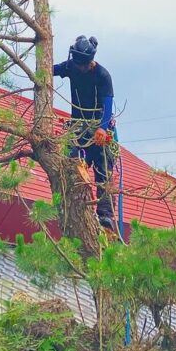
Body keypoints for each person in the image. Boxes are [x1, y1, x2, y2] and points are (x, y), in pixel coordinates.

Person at [53, 35, 117, 230]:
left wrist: (102, 128)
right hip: (78, 127)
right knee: (71, 164)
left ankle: (105, 214)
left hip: (98, 126)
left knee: (103, 167)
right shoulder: (71, 67)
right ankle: (73, 206)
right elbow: (50, 70)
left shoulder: (102, 75)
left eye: (84, 64)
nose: (81, 68)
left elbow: (107, 104)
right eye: (78, 64)